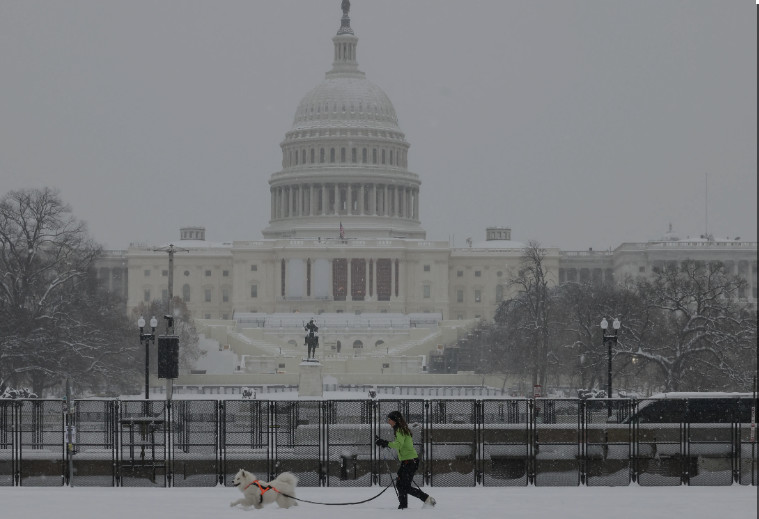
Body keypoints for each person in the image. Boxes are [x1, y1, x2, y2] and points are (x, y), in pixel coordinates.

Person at [375, 411, 436, 510]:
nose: (388, 421)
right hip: (408, 462)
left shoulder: (400, 430)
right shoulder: (400, 429)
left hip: (410, 462)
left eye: (390, 419)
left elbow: (398, 444)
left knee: (405, 486)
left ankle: (427, 500)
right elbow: (399, 444)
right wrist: (384, 443)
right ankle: (403, 507)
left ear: (395, 420)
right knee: (400, 484)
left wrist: (385, 443)